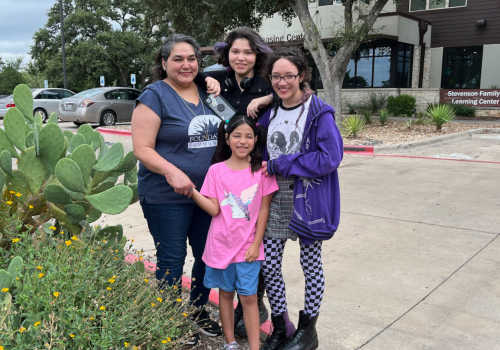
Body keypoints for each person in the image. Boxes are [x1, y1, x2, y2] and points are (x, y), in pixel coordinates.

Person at [131, 33, 222, 343]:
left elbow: (234, 124)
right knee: (171, 258)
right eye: (178, 59)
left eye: (192, 59)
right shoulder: (154, 96)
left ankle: (198, 310)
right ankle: (169, 320)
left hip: (206, 194)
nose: (186, 64)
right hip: (165, 195)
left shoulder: (207, 92)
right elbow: (142, 148)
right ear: (164, 62)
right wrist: (172, 171)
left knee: (207, 256)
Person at [258, 49, 343, 350]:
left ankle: (309, 331)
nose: (282, 82)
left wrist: (284, 164)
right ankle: (282, 326)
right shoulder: (271, 113)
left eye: (289, 76)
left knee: (310, 263)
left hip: (308, 197)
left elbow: (330, 157)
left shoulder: (319, 112)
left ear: (302, 76)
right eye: (276, 76)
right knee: (269, 264)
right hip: (274, 196)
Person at [203, 26, 277, 337]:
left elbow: (301, 90)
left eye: (248, 51)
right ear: (227, 54)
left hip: (258, 170)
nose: (241, 57)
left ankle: (254, 304)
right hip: (221, 168)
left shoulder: (264, 84)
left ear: (256, 55)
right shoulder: (218, 80)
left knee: (254, 242)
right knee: (223, 232)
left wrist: (266, 99)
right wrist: (204, 80)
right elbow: (187, 74)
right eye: (236, 51)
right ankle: (231, 311)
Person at [189, 114, 278, 350]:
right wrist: (192, 192)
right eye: (237, 135)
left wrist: (256, 244)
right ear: (227, 139)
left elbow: (263, 211)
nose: (242, 141)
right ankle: (230, 343)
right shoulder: (216, 171)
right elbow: (214, 208)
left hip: (249, 249)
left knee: (249, 298)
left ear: (256, 140)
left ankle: (255, 346)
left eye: (249, 136)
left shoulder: (262, 172)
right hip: (221, 247)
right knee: (225, 295)